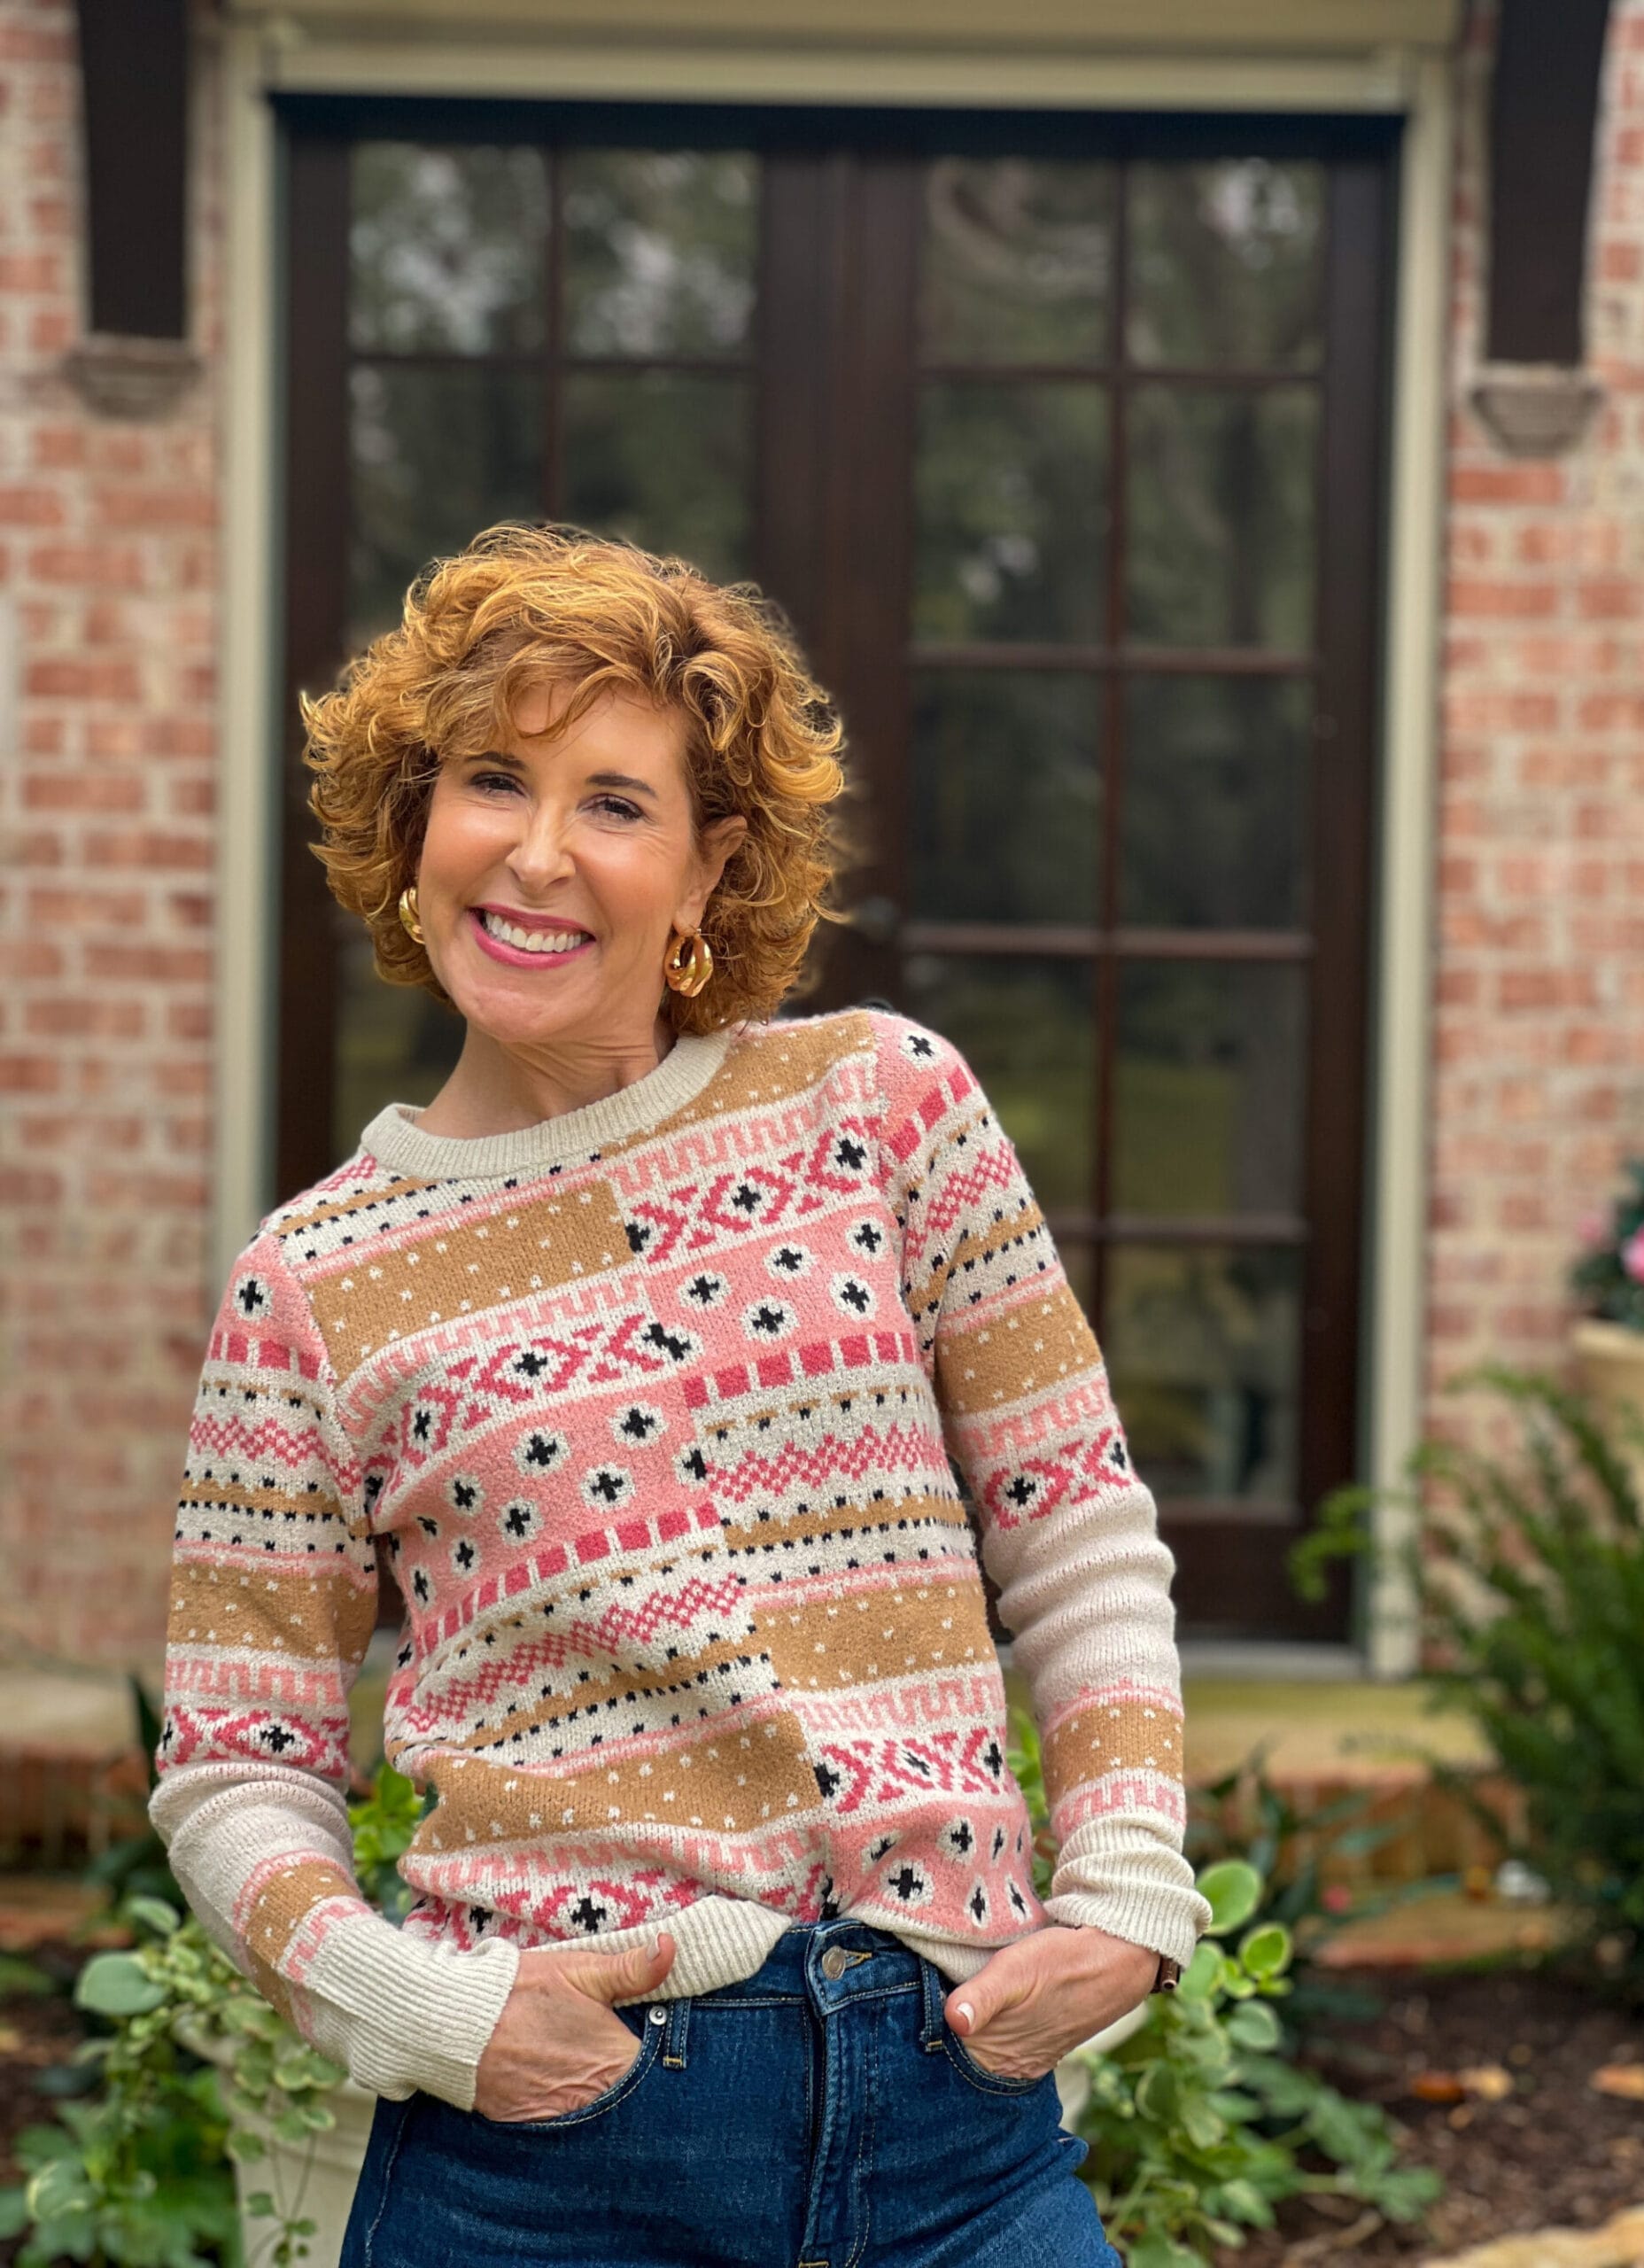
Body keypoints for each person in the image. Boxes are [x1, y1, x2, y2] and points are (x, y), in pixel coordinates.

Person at [151, 524, 1211, 2268]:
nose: (541, 852)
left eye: (617, 803)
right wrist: (421, 2006)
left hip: (957, 2124)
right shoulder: (315, 1280)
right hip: (555, 2156)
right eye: (493, 778)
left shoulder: (883, 1109)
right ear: (415, 826)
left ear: (712, 865)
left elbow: (1075, 1524)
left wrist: (1126, 1894)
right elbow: (233, 1763)